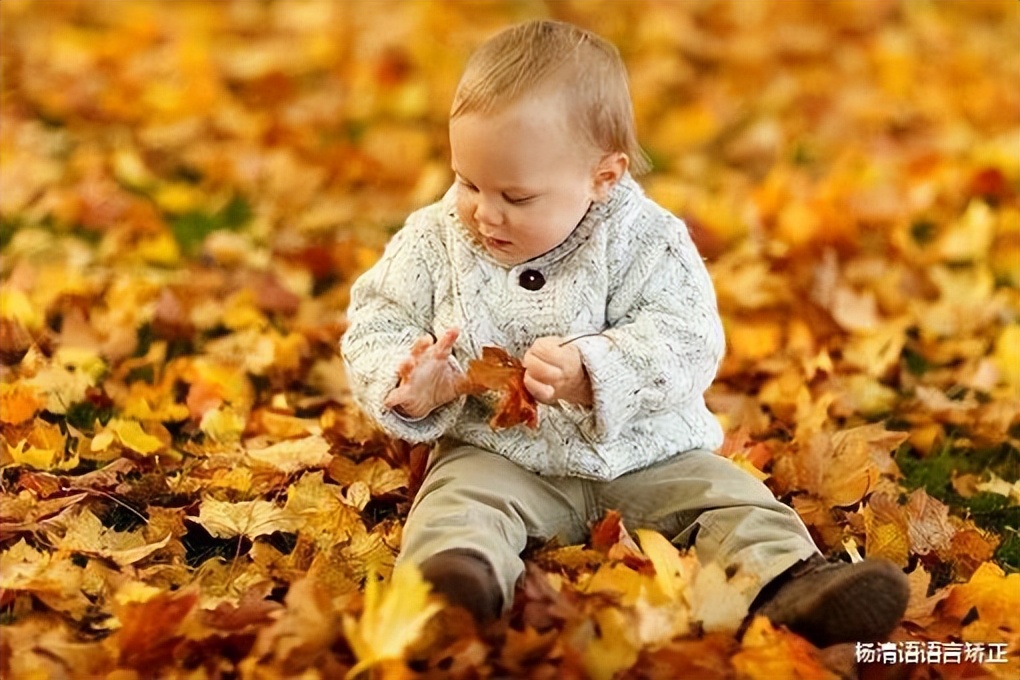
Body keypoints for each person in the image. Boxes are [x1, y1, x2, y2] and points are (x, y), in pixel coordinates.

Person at [341, 19, 908, 648]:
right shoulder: (433, 238)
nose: (484, 211)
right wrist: (407, 378)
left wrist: (596, 370)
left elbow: (688, 338)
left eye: (517, 196)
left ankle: (793, 585)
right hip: (500, 456)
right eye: (468, 181)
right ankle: (454, 587)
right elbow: (378, 318)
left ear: (602, 178)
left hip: (649, 452)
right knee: (456, 503)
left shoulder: (648, 239)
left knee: (729, 498)